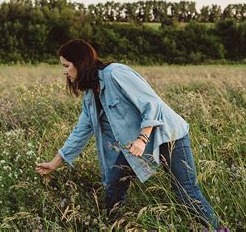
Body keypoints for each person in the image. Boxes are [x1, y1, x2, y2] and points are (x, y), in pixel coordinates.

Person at [36, 39, 222, 229]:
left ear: (80, 62)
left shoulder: (115, 73)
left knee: (186, 194)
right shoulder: (91, 96)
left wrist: (142, 138)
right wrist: (54, 163)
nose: (65, 72)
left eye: (66, 66)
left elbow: (152, 103)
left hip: (168, 135)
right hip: (134, 145)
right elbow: (81, 131)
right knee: (113, 186)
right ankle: (118, 226)